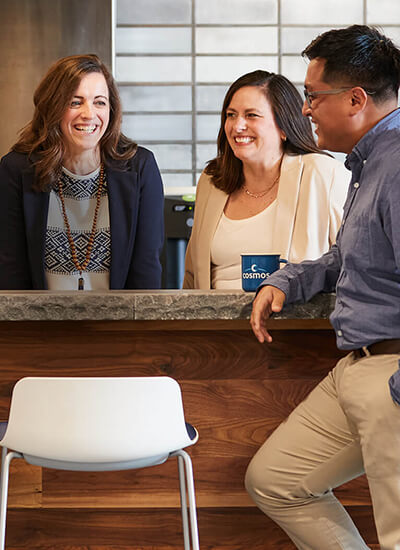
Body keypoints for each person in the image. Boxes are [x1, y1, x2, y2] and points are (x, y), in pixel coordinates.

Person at [246, 25, 400, 550]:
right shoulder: (368, 161)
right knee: (278, 481)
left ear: (356, 99)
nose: (305, 109)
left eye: (313, 96)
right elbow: (350, 254)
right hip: (356, 366)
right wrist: (289, 279)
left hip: (392, 376)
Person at [0, 54, 164, 290]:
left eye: (99, 102)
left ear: (111, 109)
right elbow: (10, 272)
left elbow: (146, 271)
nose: (89, 114)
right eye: (75, 102)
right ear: (53, 107)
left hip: (118, 324)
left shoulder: (139, 167)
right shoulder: (16, 170)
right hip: (40, 324)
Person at [183, 70, 349, 290]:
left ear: (283, 127)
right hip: (215, 323)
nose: (237, 126)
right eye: (231, 115)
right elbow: (192, 275)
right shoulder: (212, 180)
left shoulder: (324, 174)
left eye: (251, 115)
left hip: (294, 322)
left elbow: (355, 265)